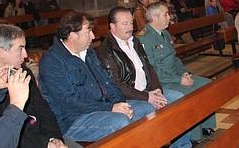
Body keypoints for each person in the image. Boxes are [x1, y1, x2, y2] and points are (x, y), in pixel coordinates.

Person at [38, 12, 155, 142]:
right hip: (72, 119)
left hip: (102, 106)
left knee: (147, 108)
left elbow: (108, 82)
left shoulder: (88, 52)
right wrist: (109, 108)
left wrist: (117, 102)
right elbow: (68, 101)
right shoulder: (52, 62)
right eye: (88, 32)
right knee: (119, 121)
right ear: (72, 36)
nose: (93, 36)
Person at [96, 7, 191, 147]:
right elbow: (117, 84)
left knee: (178, 99)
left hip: (148, 90)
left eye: (131, 23)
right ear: (112, 27)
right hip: (130, 97)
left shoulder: (135, 41)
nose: (130, 27)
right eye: (125, 24)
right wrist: (147, 97)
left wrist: (157, 89)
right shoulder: (105, 51)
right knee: (149, 110)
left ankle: (182, 145)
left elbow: (149, 68)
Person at [0, 24, 67, 148]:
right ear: (1, 52)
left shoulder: (24, 71)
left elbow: (43, 109)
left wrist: (54, 137)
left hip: (45, 138)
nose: (25, 55)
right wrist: (44, 144)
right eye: (20, 48)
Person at [139, 2, 216, 142]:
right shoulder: (144, 38)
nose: (170, 17)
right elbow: (152, 70)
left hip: (175, 75)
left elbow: (174, 59)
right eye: (166, 14)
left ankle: (206, 125)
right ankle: (194, 135)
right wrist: (178, 80)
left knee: (208, 85)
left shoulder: (166, 34)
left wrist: (185, 73)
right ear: (154, 18)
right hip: (163, 82)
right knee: (188, 94)